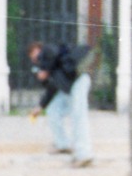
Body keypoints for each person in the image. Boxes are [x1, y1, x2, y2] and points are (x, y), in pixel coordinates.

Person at [28, 40, 94, 168]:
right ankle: (62, 144)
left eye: (35, 54)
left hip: (78, 81)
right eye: (33, 58)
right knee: (53, 110)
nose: (36, 59)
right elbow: (52, 89)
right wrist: (40, 106)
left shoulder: (48, 50)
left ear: (40, 49)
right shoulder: (52, 66)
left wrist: (44, 69)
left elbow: (51, 54)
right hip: (69, 87)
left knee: (78, 117)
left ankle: (84, 154)